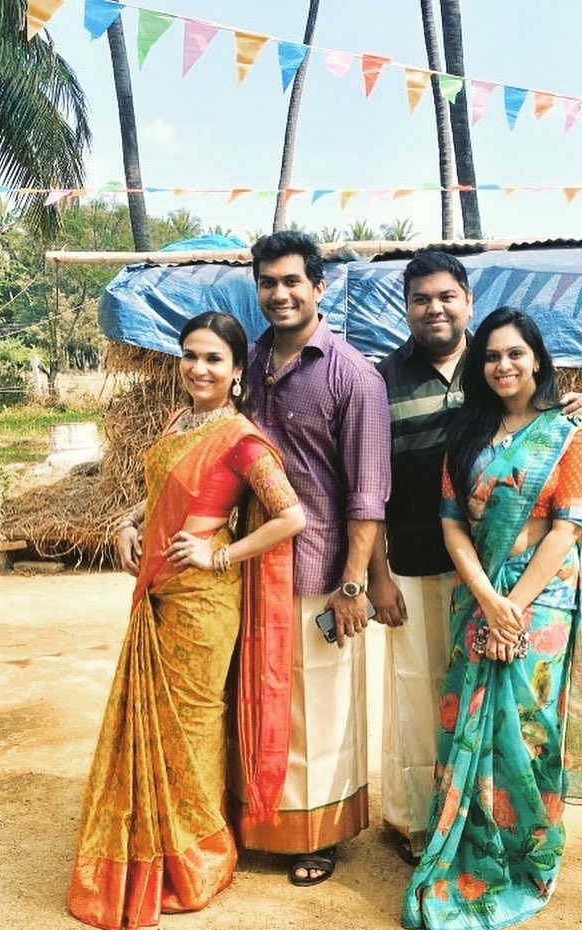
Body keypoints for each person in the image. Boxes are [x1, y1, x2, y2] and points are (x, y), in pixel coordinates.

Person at [67, 311, 306, 930]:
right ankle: (158, 835)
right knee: (158, 723)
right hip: (157, 591)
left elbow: (291, 517)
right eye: (190, 355)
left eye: (213, 360)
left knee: (194, 726)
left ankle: (197, 855)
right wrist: (129, 520)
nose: (199, 368)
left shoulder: (243, 439)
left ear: (235, 373)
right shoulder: (179, 421)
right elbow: (160, 491)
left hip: (203, 603)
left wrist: (219, 552)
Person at [400, 306, 582, 930]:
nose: (503, 366)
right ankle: (470, 847)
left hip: (542, 606)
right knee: (464, 725)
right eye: (492, 356)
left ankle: (530, 852)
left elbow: (567, 529)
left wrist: (517, 605)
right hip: (476, 600)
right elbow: (452, 521)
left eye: (515, 354)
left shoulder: (570, 433)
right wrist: (487, 598)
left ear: (537, 359)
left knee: (529, 729)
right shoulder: (466, 434)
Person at [368, 251, 582, 865]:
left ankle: (506, 829)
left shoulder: (490, 375)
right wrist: (374, 575)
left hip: (516, 586)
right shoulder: (380, 380)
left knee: (515, 712)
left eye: (446, 295)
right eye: (421, 298)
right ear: (407, 305)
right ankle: (420, 819)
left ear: (467, 300)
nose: (434, 308)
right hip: (424, 563)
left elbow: (563, 515)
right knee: (428, 700)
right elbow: (365, 483)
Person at [239, 231, 391, 886]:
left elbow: (367, 492)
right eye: (268, 283)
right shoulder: (245, 362)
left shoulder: (352, 374)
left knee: (319, 705)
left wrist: (353, 585)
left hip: (318, 572)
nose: (280, 293)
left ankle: (317, 833)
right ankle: (259, 816)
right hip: (250, 565)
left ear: (318, 287)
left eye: (292, 281)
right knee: (261, 697)